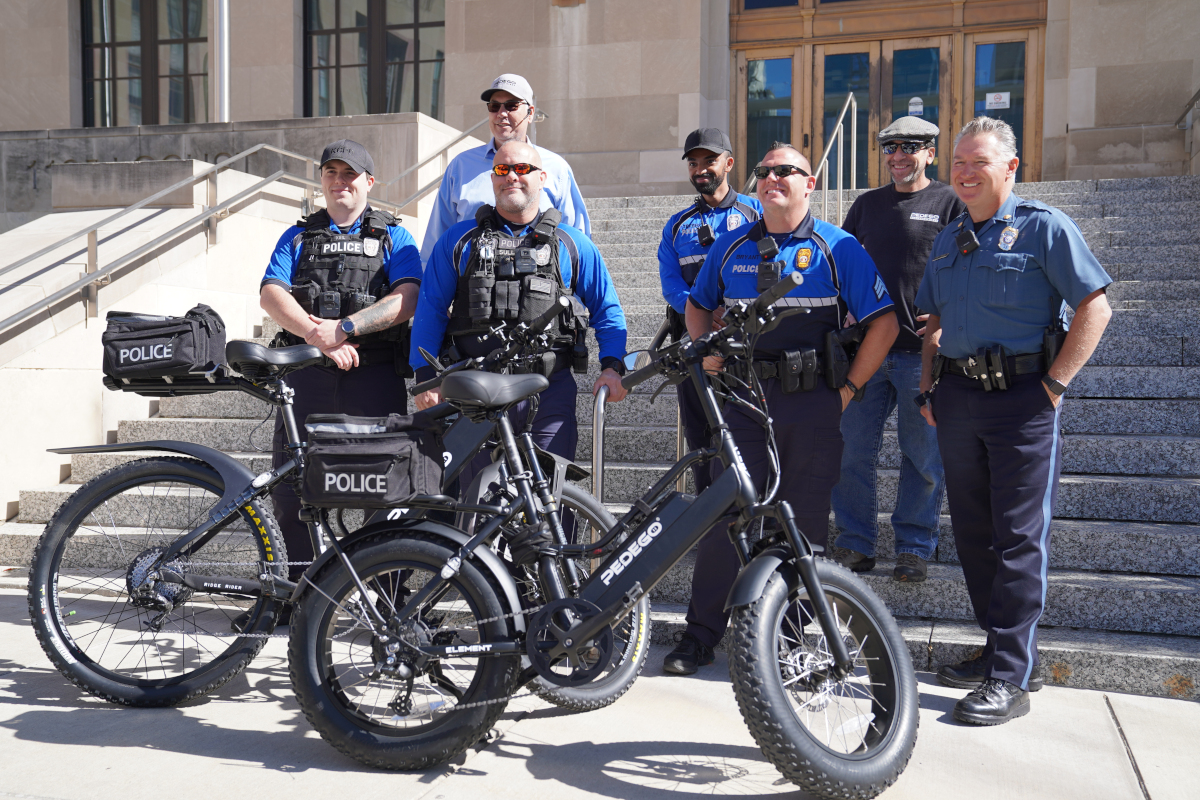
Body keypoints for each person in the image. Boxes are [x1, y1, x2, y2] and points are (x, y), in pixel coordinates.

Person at [665, 142, 900, 675]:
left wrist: (849, 391)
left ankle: (791, 642)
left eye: (786, 171)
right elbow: (697, 303)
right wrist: (705, 355)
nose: (773, 178)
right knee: (727, 517)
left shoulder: (838, 247)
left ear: (809, 183)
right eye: (765, 171)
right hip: (744, 402)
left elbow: (884, 322)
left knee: (804, 524)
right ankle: (701, 634)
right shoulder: (730, 246)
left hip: (812, 402)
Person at [915, 117, 1112, 725]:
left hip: (1024, 401)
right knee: (974, 532)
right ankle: (998, 648)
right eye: (958, 163)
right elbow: (931, 322)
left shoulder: (1043, 229)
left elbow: (1095, 306)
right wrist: (928, 388)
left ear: (1010, 168)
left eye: (978, 162)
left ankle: (1011, 676)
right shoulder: (949, 240)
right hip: (957, 399)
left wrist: (1054, 385)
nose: (965, 173)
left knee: (1020, 535)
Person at [260, 139, 422, 590]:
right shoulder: (297, 236)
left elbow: (407, 298)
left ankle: (387, 594)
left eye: (349, 174)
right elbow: (271, 293)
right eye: (330, 172)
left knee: (383, 487)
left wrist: (344, 329)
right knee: (291, 490)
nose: (339, 181)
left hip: (372, 377)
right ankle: (295, 591)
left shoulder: (395, 235)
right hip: (307, 376)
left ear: (369, 182)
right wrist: (318, 335)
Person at [410, 140, 627, 471]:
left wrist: (612, 366)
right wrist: (426, 377)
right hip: (474, 391)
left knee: (550, 499)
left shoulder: (572, 244)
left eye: (522, 168)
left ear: (542, 178)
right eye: (502, 169)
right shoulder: (458, 241)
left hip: (547, 390)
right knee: (477, 505)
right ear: (492, 178)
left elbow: (608, 310)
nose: (512, 176)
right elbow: (430, 309)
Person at [831, 116, 966, 583]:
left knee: (922, 456)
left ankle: (912, 547)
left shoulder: (950, 202)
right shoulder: (867, 206)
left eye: (909, 146)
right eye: (889, 147)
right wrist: (845, 309)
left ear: (931, 151)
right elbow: (840, 267)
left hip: (920, 355)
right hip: (866, 352)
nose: (897, 155)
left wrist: (952, 314)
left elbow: (970, 266)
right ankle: (854, 544)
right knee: (850, 450)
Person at [658, 128, 762, 493]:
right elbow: (671, 284)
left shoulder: (757, 211)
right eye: (694, 162)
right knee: (701, 436)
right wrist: (702, 313)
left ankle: (751, 517)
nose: (700, 169)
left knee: (749, 434)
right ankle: (707, 518)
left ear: (729, 163)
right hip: (694, 344)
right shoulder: (677, 224)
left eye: (709, 160)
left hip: (749, 345)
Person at [420, 74, 590, 262]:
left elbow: (577, 243)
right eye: (494, 106)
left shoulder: (556, 169)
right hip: (472, 287)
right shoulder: (460, 167)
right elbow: (437, 242)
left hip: (539, 285)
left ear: (530, 113)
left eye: (511, 106)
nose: (501, 113)